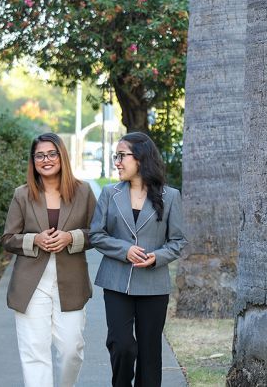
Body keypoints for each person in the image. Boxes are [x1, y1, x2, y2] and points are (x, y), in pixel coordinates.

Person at [89, 132, 187, 387]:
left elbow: (177, 242)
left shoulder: (170, 196)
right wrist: (124, 250)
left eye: (122, 156)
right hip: (116, 282)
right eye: (116, 156)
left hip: (153, 285)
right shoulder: (110, 194)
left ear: (141, 158)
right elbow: (96, 235)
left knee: (149, 354)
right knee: (122, 345)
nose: (117, 162)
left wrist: (157, 257)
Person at [2, 132, 97, 387]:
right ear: (33, 161)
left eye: (51, 154)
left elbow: (98, 234)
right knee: (34, 353)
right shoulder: (22, 194)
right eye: (39, 156)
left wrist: (71, 237)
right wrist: (34, 240)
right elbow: (8, 238)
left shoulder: (83, 191)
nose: (46, 160)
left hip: (72, 282)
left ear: (62, 156)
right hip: (31, 284)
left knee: (71, 350)